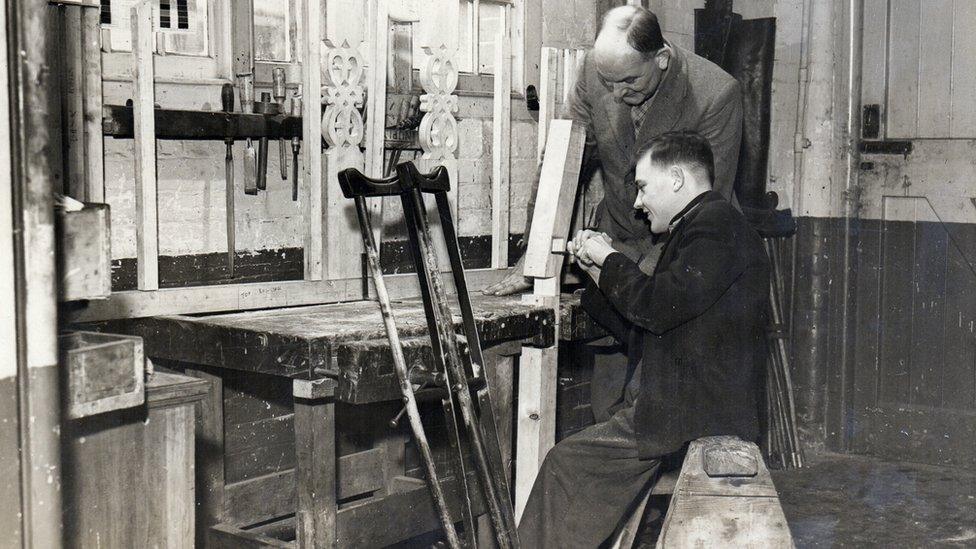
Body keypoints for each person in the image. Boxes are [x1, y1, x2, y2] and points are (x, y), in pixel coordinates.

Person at [484, 5, 743, 418]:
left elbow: (703, 207)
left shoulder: (716, 94)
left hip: (683, 258)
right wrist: (532, 255)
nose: (618, 93)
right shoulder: (596, 73)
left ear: (660, 59)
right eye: (609, 82)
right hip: (619, 238)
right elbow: (563, 160)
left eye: (629, 81)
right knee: (611, 411)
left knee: (670, 402)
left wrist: (636, 282)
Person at [516, 132, 768, 548]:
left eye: (643, 186)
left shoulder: (715, 228)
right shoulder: (701, 226)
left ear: (676, 180)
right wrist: (598, 275)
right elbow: (650, 329)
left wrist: (609, 258)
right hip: (684, 399)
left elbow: (656, 308)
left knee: (566, 465)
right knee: (575, 460)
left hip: (691, 408)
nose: (637, 202)